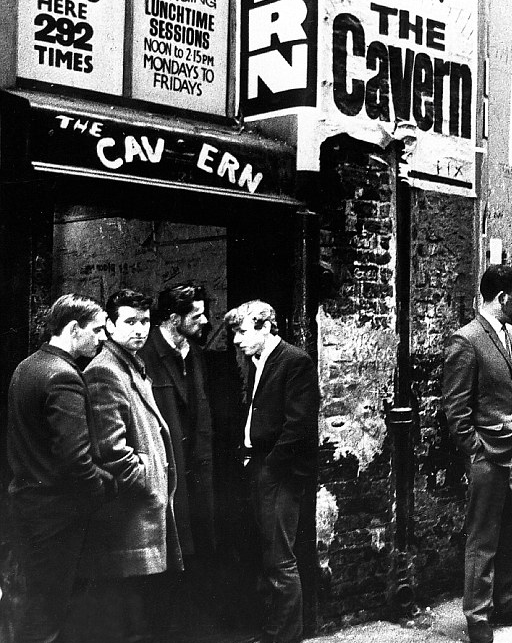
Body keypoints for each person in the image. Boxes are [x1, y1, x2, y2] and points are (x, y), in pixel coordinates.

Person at [7, 293, 113, 643]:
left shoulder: (27, 366)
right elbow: (76, 459)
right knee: (48, 611)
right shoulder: (63, 376)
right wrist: (104, 487)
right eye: (97, 330)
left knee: (32, 601)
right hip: (57, 513)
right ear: (73, 328)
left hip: (27, 505)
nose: (102, 338)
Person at [81, 289, 183, 643]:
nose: (140, 329)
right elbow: (110, 449)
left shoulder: (131, 366)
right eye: (130, 322)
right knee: (133, 614)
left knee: (147, 608)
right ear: (109, 325)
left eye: (145, 322)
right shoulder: (105, 372)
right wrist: (147, 481)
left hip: (146, 508)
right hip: (131, 512)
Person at [224, 300, 320, 643]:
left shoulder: (295, 361)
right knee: (265, 553)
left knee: (280, 559)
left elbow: (299, 426)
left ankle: (286, 636)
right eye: (234, 332)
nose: (236, 339)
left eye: (243, 331)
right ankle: (271, 630)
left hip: (279, 472)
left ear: (266, 328)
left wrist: (271, 467)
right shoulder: (254, 360)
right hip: (257, 464)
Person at [138, 283, 215, 633]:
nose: (205, 321)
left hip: (196, 472)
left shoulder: (194, 354)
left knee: (196, 548)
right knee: (165, 557)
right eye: (196, 315)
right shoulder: (146, 357)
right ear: (173, 319)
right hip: (165, 473)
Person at [443, 264, 512, 643]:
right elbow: (456, 409)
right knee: (482, 538)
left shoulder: (507, 336)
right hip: (489, 457)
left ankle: (504, 602)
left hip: (510, 454)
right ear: (502, 298)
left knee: (508, 535)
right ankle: (477, 617)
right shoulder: (466, 340)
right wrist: (477, 452)